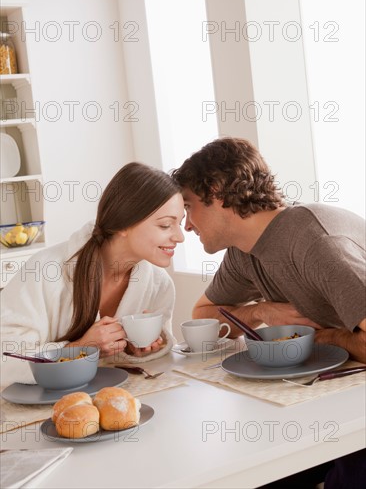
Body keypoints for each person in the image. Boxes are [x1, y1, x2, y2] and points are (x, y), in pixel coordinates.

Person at [171, 137, 366, 488]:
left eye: (189, 207)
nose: (186, 225)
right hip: (332, 395)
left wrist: (324, 338)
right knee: (254, 473)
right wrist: (261, 311)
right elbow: (202, 315)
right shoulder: (244, 253)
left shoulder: (316, 243)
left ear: (215, 192)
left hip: (354, 405)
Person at [1, 162, 184, 385]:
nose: (179, 237)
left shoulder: (159, 285)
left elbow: (156, 366)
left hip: (122, 402)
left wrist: (139, 350)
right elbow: (5, 360)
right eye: (166, 225)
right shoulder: (43, 270)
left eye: (180, 224)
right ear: (123, 225)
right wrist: (79, 350)